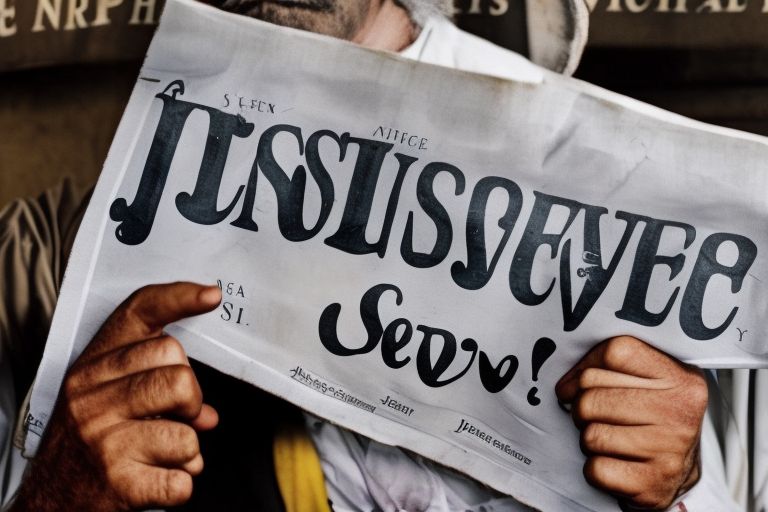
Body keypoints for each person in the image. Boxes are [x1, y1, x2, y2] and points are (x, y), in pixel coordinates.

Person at [0, 0, 731, 510]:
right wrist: (57, 496)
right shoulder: (49, 252)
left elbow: (700, 479)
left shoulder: (609, 193)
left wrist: (678, 485)